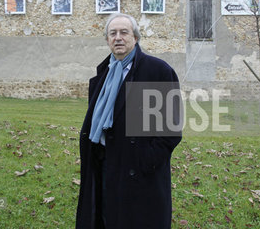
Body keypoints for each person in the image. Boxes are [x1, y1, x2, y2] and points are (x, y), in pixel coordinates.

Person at [76, 13, 182, 228]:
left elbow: (170, 131)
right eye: (112, 33)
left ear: (135, 37)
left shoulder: (154, 71)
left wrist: (144, 162)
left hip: (138, 174)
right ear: (107, 40)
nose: (118, 38)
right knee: (107, 219)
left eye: (124, 32)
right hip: (105, 165)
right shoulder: (104, 74)